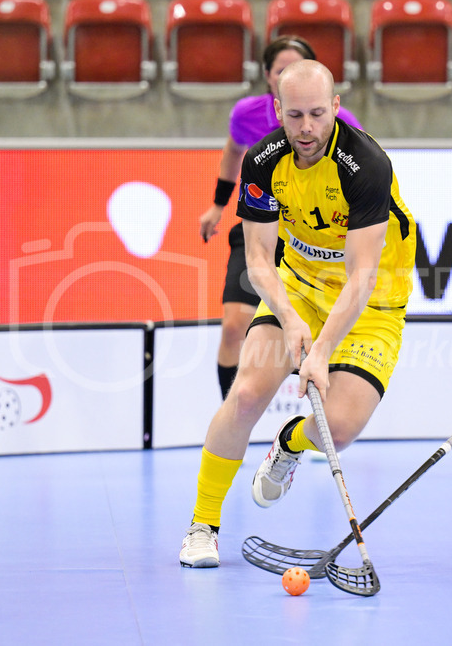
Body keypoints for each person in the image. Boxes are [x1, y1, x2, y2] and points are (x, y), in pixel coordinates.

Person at [180, 59, 417, 567]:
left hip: (372, 303)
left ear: (335, 107)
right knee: (244, 394)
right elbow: (260, 259)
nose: (306, 129)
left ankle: (289, 441)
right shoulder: (263, 161)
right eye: (294, 116)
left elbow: (362, 277)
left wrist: (321, 351)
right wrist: (289, 319)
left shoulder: (366, 166)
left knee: (343, 426)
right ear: (277, 111)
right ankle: (203, 525)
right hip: (301, 287)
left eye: (316, 114)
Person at [199, 36, 362, 399]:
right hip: (258, 228)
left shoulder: (343, 124)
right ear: (270, 78)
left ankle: (319, 421)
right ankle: (233, 413)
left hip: (313, 237)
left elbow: (361, 179)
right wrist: (217, 205)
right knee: (233, 327)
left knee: (323, 331)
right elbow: (232, 153)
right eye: (280, 70)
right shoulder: (246, 115)